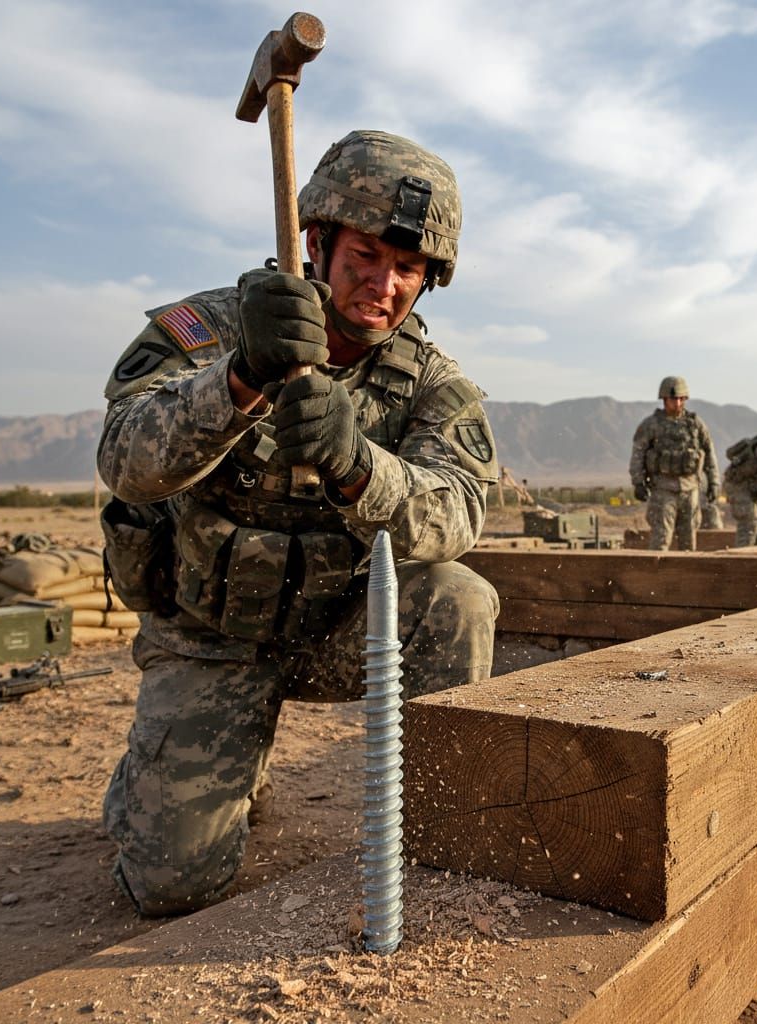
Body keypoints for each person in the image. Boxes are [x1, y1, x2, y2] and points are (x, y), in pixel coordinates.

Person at [96, 130, 500, 917]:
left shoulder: (430, 382)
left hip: (337, 636)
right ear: (316, 241)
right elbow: (127, 461)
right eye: (366, 257)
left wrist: (359, 466)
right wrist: (241, 377)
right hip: (210, 641)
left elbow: (458, 511)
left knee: (459, 596)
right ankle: (175, 764)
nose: (384, 285)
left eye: (408, 268)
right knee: (171, 888)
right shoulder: (211, 331)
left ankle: (444, 835)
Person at [628, 376, 720, 551]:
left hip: (690, 489)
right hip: (663, 489)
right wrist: (638, 482)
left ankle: (688, 577)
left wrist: (714, 483)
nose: (677, 403)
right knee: (661, 539)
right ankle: (656, 577)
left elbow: (709, 454)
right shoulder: (652, 424)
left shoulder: (695, 424)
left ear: (685, 399)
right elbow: (637, 454)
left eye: (680, 398)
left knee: (689, 540)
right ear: (664, 399)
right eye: (673, 399)